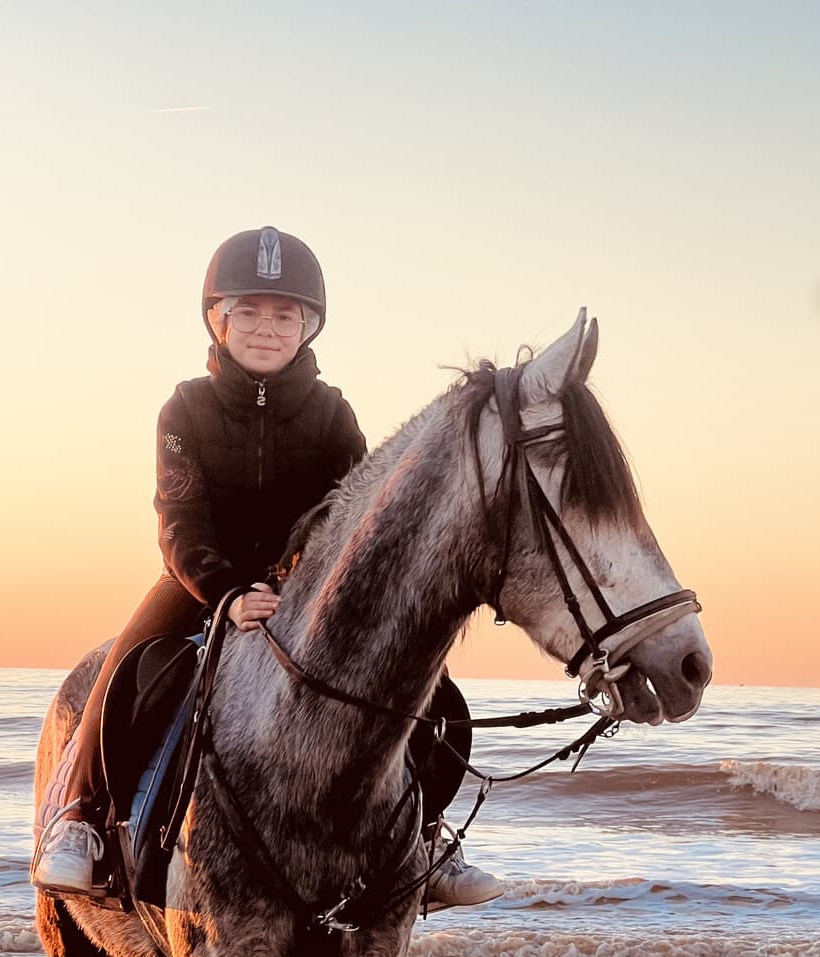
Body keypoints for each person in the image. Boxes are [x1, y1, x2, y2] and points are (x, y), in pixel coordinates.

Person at [32, 226, 502, 910]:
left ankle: (427, 837)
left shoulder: (333, 413)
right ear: (217, 319)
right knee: (128, 670)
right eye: (248, 311)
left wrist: (297, 579)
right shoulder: (184, 408)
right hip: (200, 579)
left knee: (436, 696)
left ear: (308, 327)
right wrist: (226, 592)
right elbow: (179, 518)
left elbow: (354, 519)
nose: (266, 328)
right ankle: (82, 820)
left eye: (285, 315)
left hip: (305, 588)